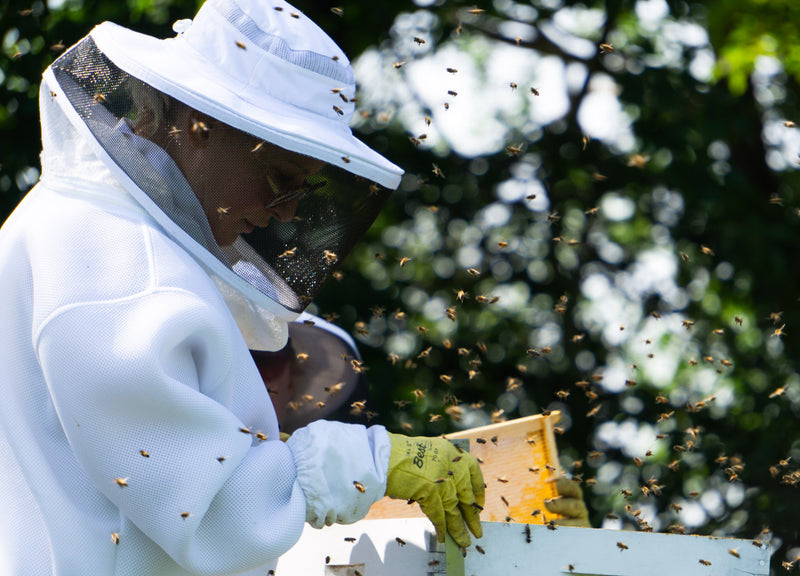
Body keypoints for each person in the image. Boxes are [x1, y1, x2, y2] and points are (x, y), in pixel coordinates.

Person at [0, 1, 483, 575]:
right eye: (278, 178)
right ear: (200, 125)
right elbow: (205, 508)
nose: (284, 214)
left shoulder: (84, 227)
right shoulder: (118, 257)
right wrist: (369, 461)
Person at [257, 316, 592, 527]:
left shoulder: (339, 507)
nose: (254, 373)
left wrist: (559, 559)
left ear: (294, 378)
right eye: (246, 353)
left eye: (268, 355)